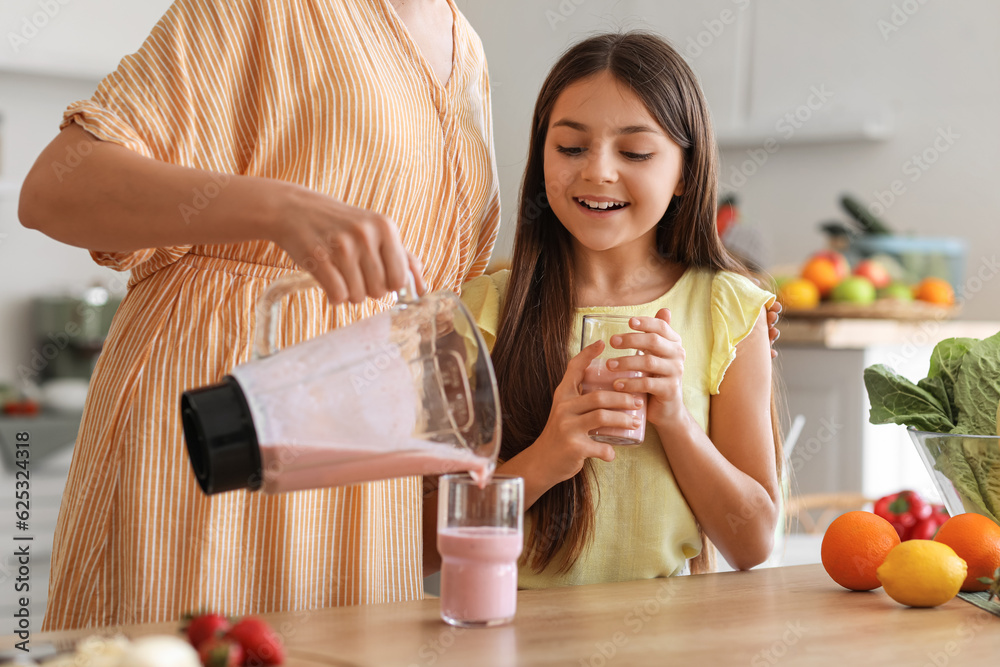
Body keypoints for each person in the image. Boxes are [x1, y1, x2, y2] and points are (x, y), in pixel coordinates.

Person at [19, 0, 500, 630]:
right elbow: (55, 189)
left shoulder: (468, 48)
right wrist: (278, 208)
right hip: (221, 420)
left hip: (358, 463)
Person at [454, 31, 782, 586]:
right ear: (540, 159)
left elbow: (752, 544)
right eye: (570, 147)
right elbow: (423, 546)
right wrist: (547, 457)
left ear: (684, 173)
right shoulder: (485, 310)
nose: (598, 171)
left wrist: (676, 419)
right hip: (518, 638)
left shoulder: (728, 308)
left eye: (635, 152)